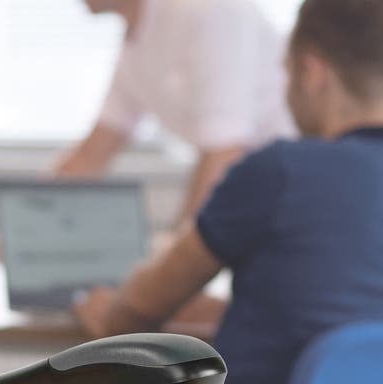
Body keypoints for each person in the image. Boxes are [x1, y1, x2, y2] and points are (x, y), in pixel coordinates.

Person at [74, 0, 383, 384]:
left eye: (285, 71)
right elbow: (337, 325)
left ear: (312, 73)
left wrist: (108, 308)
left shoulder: (280, 173)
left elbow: (137, 310)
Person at [57, 0, 294, 224]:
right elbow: (92, 154)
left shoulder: (208, 10)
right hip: (255, 197)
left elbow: (224, 154)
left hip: (289, 193)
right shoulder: (137, 40)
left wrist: (173, 247)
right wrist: (38, 213)